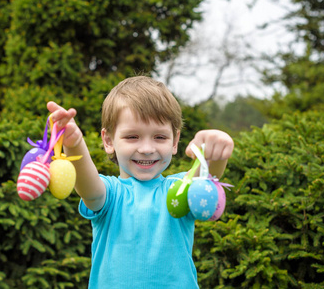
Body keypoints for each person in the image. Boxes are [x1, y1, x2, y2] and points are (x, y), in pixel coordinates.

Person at [47, 76, 234, 288]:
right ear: (108, 141)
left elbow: (206, 180)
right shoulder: (111, 194)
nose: (146, 148)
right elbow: (89, 190)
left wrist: (214, 150)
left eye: (160, 137)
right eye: (133, 137)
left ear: (175, 141)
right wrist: (74, 143)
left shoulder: (180, 189)